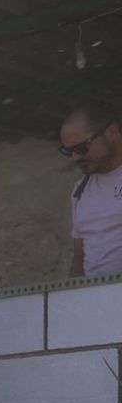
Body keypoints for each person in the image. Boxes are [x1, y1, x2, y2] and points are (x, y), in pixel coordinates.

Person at [63, 103, 122, 279]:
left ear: (111, 132)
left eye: (81, 147)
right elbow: (79, 256)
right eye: (68, 151)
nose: (75, 157)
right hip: (94, 298)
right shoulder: (80, 190)